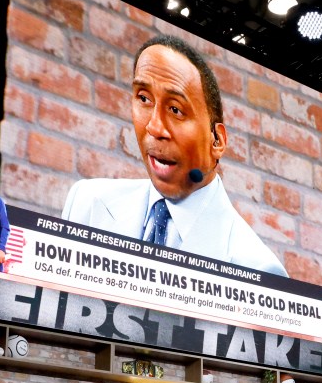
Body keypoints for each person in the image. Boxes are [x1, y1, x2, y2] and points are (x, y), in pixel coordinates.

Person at [60, 34, 288, 278]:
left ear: (217, 140)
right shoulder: (86, 203)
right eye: (144, 98)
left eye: (176, 110)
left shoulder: (258, 268)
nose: (154, 128)